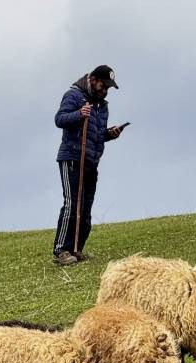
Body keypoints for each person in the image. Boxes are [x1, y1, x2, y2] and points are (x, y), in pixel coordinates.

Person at [52, 65, 127, 266]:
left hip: (91, 161)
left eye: (108, 88)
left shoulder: (102, 106)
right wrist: (79, 113)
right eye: (103, 85)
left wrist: (109, 135)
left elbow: (96, 135)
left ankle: (76, 249)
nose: (105, 90)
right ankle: (61, 250)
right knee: (72, 204)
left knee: (85, 208)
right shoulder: (74, 95)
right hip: (72, 157)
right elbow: (59, 119)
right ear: (93, 80)